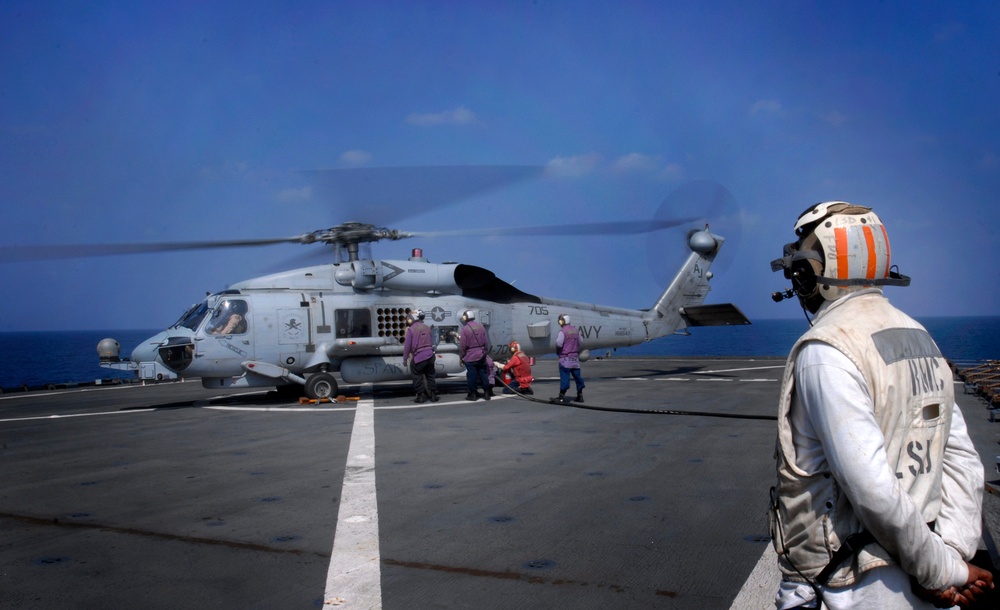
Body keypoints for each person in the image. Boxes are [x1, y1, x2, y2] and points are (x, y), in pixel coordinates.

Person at [768, 202, 992, 609]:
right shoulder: (920, 337)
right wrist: (952, 559)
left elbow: (873, 490)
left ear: (810, 273)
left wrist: (944, 571)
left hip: (852, 584)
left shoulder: (827, 349)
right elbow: (962, 460)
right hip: (926, 571)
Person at [402, 310, 438, 403]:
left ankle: (420, 396)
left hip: (419, 356)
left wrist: (405, 358)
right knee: (430, 375)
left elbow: (407, 346)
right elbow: (433, 341)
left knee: (416, 375)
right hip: (430, 355)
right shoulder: (427, 327)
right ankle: (433, 394)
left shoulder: (411, 329)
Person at [459, 309, 492, 401]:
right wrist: (485, 352)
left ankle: (473, 394)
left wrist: (461, 356)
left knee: (472, 375)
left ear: (465, 318)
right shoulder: (481, 326)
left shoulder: (464, 329)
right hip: (481, 354)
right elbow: (486, 341)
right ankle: (486, 393)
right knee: (483, 374)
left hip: (470, 356)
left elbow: (463, 345)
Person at [552, 314, 584, 403]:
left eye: (560, 320)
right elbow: (581, 341)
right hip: (575, 359)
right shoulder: (576, 330)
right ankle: (580, 396)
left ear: (564, 321)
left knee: (565, 377)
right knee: (578, 377)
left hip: (565, 359)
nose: (559, 322)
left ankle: (561, 396)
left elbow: (558, 343)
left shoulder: (563, 331)